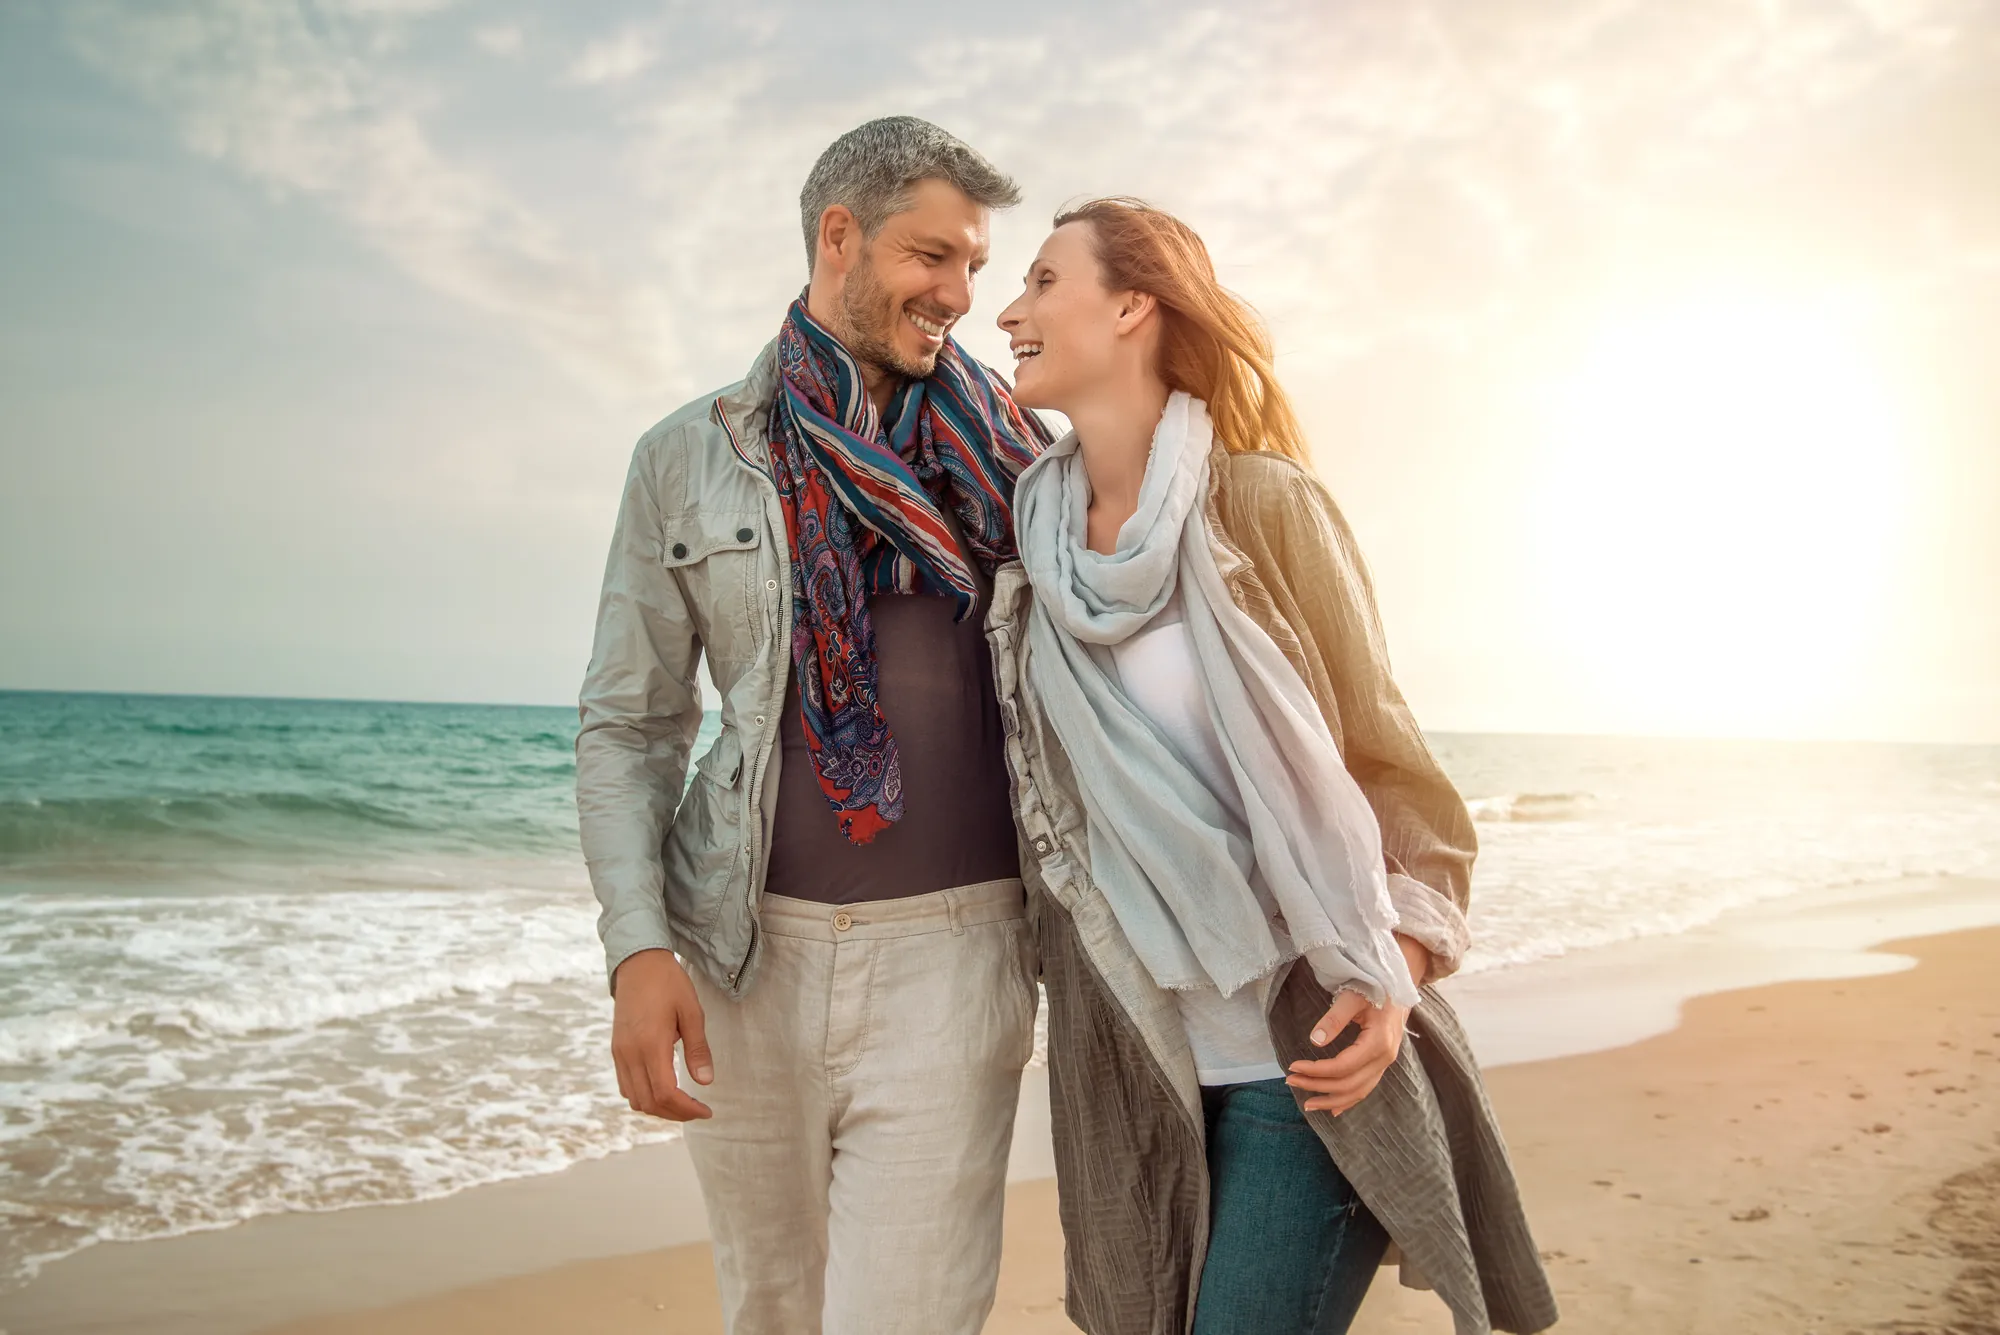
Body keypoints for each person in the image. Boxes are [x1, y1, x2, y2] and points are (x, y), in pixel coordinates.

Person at [990, 199, 1558, 1335]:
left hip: (1303, 1059)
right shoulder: (1029, 563)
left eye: (1044, 281)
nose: (1009, 310)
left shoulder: (1264, 506)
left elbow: (1400, 778)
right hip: (1134, 1062)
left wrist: (1393, 968)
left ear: (1132, 305)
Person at [574, 116, 1052, 1335]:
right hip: (744, 960)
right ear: (838, 236)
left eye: (972, 269)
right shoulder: (688, 458)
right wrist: (637, 952)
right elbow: (631, 725)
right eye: (929, 257)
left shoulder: (1026, 465)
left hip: (959, 956)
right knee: (771, 1312)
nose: (956, 296)